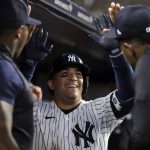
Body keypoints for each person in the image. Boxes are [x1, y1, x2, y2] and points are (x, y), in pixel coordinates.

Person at [32, 14, 134, 149]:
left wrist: (117, 53)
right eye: (64, 73)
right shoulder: (37, 110)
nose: (73, 77)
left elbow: (128, 93)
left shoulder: (99, 111)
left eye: (78, 74)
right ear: (51, 83)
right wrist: (29, 65)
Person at [105, 4, 150, 150]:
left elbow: (142, 137)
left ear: (129, 48)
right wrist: (125, 23)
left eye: (121, 46)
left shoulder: (146, 64)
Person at [0, 0, 42, 149]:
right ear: (19, 31)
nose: (30, 32)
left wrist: (23, 95)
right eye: (27, 27)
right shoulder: (4, 68)